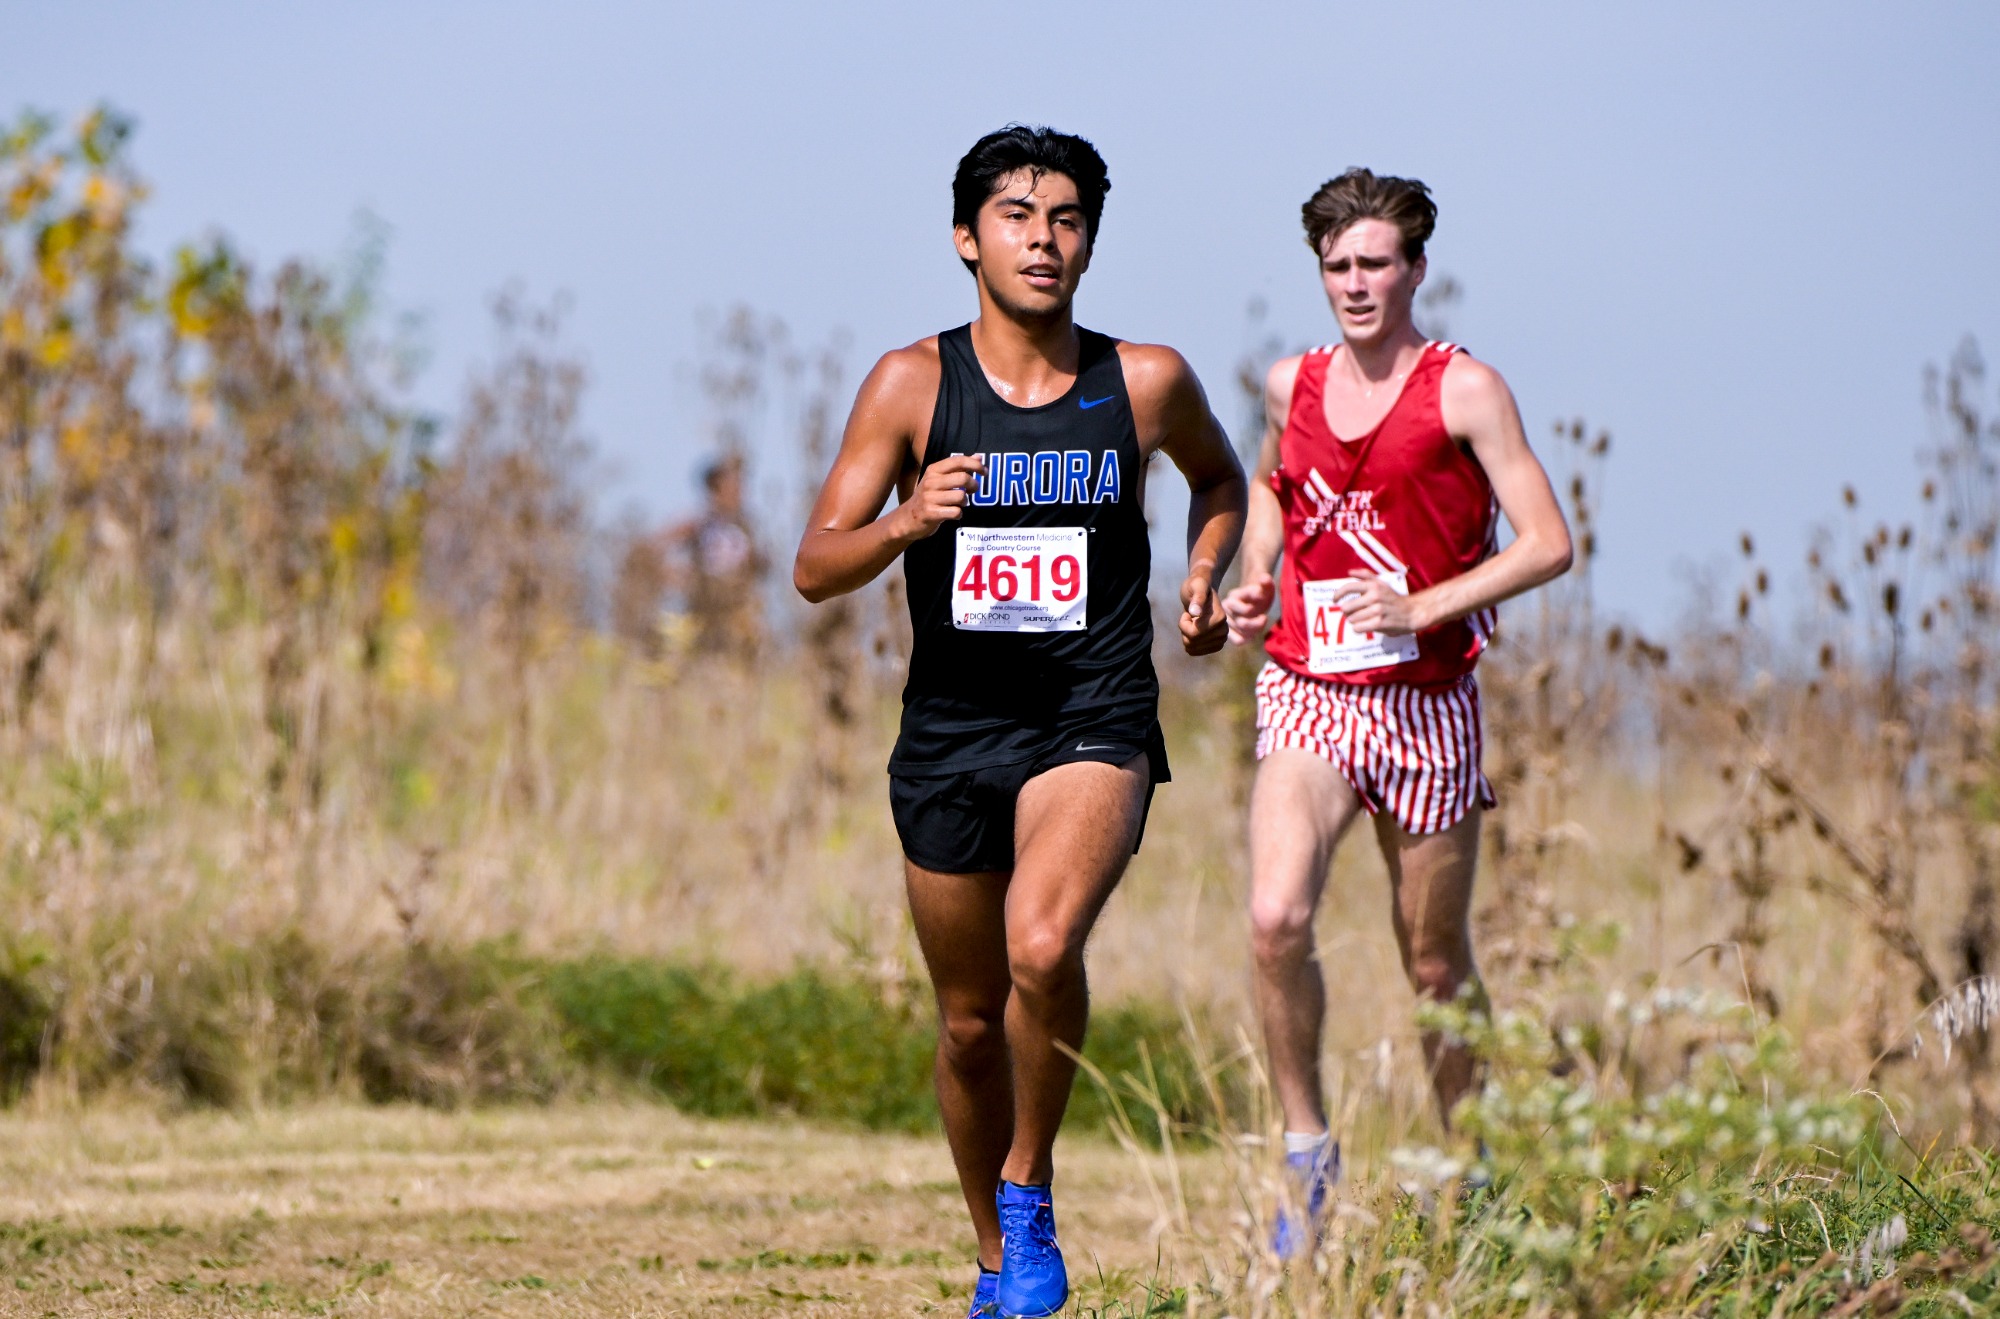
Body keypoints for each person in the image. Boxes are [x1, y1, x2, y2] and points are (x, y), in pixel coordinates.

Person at [794, 125, 1245, 1318]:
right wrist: (903, 521)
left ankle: (1030, 1187)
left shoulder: (1140, 379)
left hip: (1089, 715)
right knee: (965, 1022)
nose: (1042, 239)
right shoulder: (909, 384)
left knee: (1041, 946)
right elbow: (812, 565)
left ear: (1088, 240)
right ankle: (997, 1258)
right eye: (1015, 216)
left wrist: (1199, 580)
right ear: (965, 238)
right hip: (949, 730)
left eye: (1065, 219)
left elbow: (1220, 478)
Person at [1221, 169, 1572, 1254]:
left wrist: (1420, 605)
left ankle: (1471, 1171)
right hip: (1310, 689)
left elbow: (1547, 541)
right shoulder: (1293, 381)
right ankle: (1304, 1154)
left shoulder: (1465, 390)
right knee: (1275, 915)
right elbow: (1281, 489)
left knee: (1432, 964)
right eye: (1335, 266)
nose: (1354, 284)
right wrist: (1249, 572)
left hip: (1426, 705)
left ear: (1415, 267)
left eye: (1374, 263)